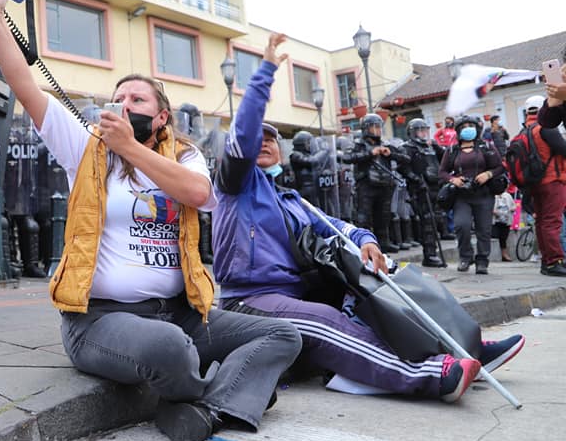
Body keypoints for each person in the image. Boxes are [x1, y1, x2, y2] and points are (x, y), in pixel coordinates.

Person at [0, 0, 302, 441]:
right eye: (120, 98)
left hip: (179, 313)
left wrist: (130, 147)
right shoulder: (87, 149)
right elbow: (25, 85)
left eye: (138, 100)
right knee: (170, 349)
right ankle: (229, 393)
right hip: (102, 321)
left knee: (282, 336)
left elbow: (198, 193)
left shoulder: (183, 155)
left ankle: (205, 409)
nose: (124, 105)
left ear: (162, 117)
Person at [212, 33, 523, 404]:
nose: (263, 141)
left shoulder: (292, 199)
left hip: (296, 288)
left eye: (272, 139)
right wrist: (264, 74)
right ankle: (423, 375)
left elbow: (336, 226)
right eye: (257, 138)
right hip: (251, 299)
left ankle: (463, 344)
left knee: (387, 279)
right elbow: (243, 135)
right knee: (323, 320)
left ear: (280, 152)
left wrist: (366, 241)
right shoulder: (235, 184)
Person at [438, 115, 504, 274]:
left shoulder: (486, 147)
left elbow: (499, 167)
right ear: (458, 130)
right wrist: (453, 179)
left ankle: (482, 261)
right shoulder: (452, 150)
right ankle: (465, 257)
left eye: (471, 125)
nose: (468, 128)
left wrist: (487, 174)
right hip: (461, 196)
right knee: (462, 226)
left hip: (484, 194)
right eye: (464, 126)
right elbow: (442, 172)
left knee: (484, 229)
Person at [342, 113, 408, 253]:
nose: (378, 130)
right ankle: (363, 244)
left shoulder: (385, 144)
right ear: (366, 128)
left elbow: (405, 158)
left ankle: (384, 243)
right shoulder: (358, 144)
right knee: (363, 217)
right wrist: (370, 153)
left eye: (379, 126)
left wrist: (390, 154)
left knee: (383, 216)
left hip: (385, 184)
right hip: (366, 185)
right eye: (374, 127)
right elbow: (347, 158)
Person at [517, 96, 566, 276]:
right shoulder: (546, 127)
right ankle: (555, 261)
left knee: (542, 222)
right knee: (552, 222)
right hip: (553, 179)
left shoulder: (525, 130)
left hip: (535, 183)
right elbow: (563, 149)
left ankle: (547, 261)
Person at [400, 118, 447, 267]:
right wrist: (416, 180)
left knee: (436, 220)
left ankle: (432, 253)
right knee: (427, 221)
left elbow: (444, 158)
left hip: (434, 186)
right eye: (419, 130)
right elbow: (403, 167)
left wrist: (436, 146)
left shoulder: (431, 146)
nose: (423, 133)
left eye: (424, 130)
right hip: (420, 189)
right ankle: (430, 255)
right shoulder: (408, 147)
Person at [492, 189, 515, 262]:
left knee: (503, 238)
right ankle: (496, 255)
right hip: (495, 220)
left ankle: (504, 254)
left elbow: (514, 206)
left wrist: (511, 209)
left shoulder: (507, 196)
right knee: (494, 236)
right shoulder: (492, 196)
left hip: (506, 220)